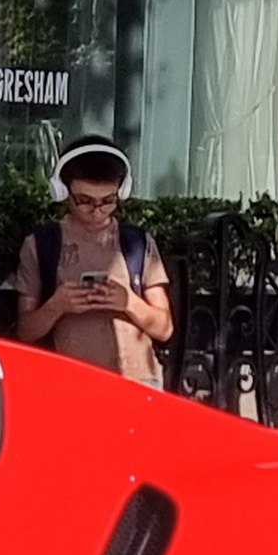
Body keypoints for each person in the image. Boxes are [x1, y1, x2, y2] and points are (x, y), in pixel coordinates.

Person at [14, 136, 174, 385]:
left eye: (108, 201)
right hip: (67, 381)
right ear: (63, 192)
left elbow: (164, 328)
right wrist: (57, 305)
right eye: (85, 201)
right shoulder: (42, 244)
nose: (97, 210)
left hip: (138, 381)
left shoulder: (137, 243)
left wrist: (128, 302)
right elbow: (25, 331)